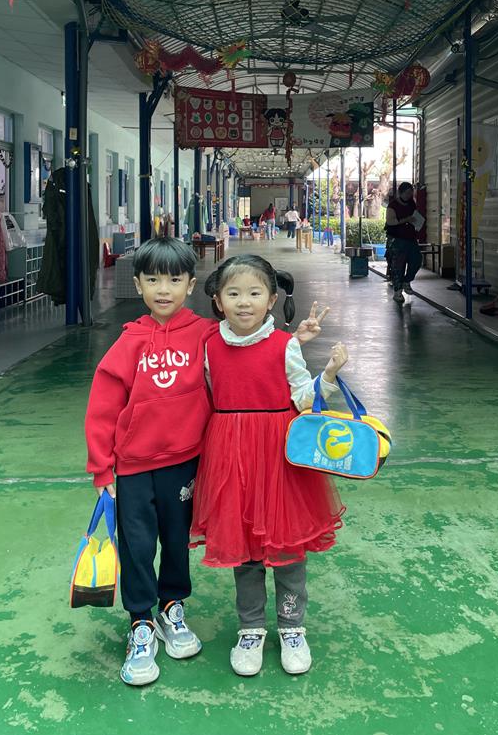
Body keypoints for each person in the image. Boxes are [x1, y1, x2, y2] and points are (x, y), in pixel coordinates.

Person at [84, 237, 328, 687]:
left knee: (181, 542)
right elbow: (103, 405)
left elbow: (253, 346)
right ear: (137, 285)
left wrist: (296, 343)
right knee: (141, 545)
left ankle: (176, 608)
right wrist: (102, 466)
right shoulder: (133, 341)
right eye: (152, 280)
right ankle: (143, 623)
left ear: (191, 286)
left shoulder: (205, 333)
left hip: (193, 461)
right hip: (137, 465)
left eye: (174, 280)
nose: (163, 290)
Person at [190, 255, 347, 678]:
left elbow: (304, 398)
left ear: (272, 299)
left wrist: (329, 374)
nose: (244, 302)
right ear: (218, 300)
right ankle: (251, 628)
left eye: (254, 293)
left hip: (279, 459)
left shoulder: (285, 345)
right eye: (233, 293)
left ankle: (293, 627)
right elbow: (202, 396)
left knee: (287, 548)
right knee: (243, 549)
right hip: (230, 456)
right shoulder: (208, 345)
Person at [385, 181, 422, 305]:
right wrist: (406, 220)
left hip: (411, 238)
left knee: (417, 260)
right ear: (400, 193)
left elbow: (415, 216)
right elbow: (390, 222)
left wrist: (417, 222)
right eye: (407, 193)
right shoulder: (392, 205)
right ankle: (398, 291)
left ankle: (407, 280)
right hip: (397, 239)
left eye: (411, 193)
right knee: (398, 265)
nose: (409, 195)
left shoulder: (412, 203)